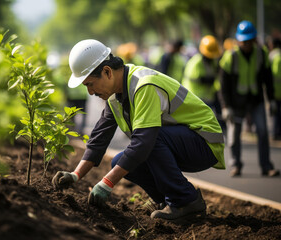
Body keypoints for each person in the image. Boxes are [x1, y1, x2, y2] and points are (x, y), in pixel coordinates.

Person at [52, 39, 225, 221]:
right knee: (119, 161)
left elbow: (144, 142)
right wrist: (75, 175)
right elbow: (99, 139)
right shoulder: (115, 96)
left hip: (204, 142)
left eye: (90, 84)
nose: (90, 92)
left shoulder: (144, 85)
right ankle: (168, 203)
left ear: (107, 72)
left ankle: (185, 201)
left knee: (147, 142)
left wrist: (107, 183)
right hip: (183, 142)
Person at [219, 20, 279, 177]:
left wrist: (271, 100)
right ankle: (236, 164)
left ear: (254, 39)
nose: (246, 44)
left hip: (256, 100)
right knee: (234, 135)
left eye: (249, 40)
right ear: (239, 40)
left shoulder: (261, 54)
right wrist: (226, 107)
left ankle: (266, 166)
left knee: (263, 131)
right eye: (243, 41)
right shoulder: (230, 56)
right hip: (236, 102)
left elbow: (268, 79)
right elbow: (223, 85)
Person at [182, 35, 225, 132]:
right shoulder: (196, 62)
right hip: (195, 98)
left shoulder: (212, 62)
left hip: (208, 98)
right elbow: (199, 80)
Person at [269, 38, 281, 140]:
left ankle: (275, 133)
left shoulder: (274, 56)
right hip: (277, 90)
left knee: (276, 113)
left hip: (276, 91)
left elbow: (274, 73)